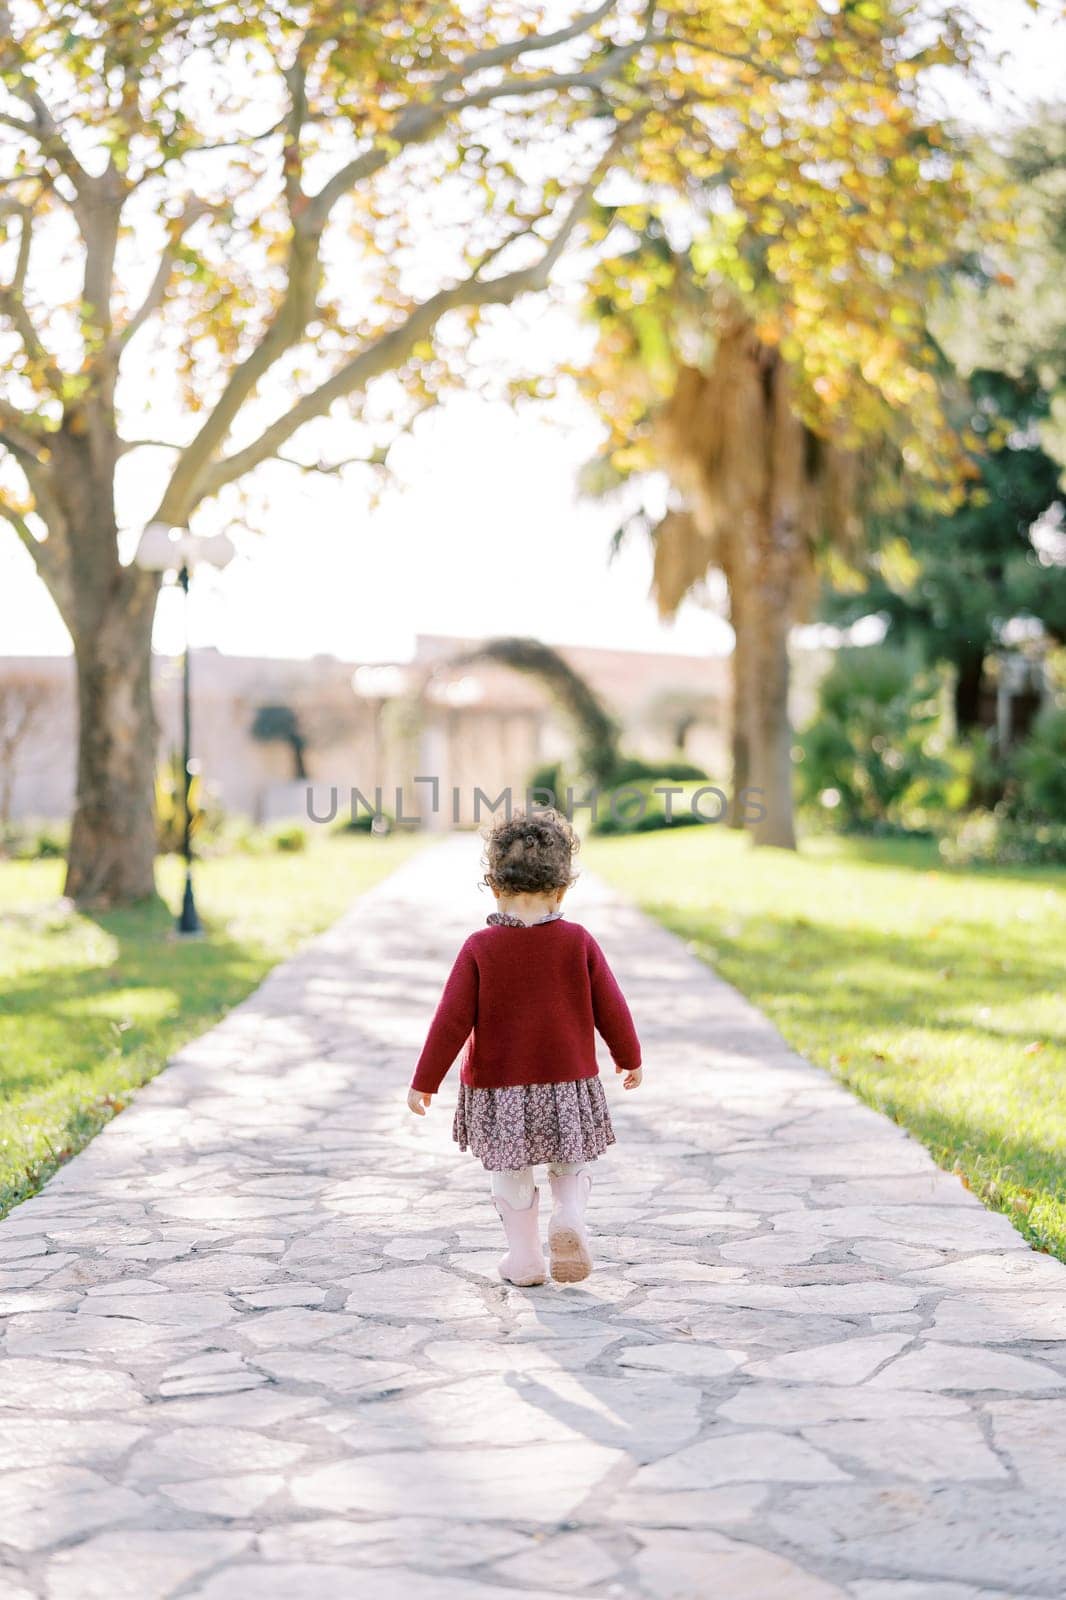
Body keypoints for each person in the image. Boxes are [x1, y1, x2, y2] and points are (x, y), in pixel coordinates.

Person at [406, 808, 642, 1285]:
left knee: (510, 1169)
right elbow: (611, 1006)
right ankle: (570, 1214)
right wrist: (628, 1057)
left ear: (494, 887)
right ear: (561, 890)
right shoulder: (578, 941)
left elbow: (450, 1021)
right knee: (569, 1156)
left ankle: (526, 1259)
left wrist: (424, 1081)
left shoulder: (479, 947)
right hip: (568, 1081)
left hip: (501, 1089)